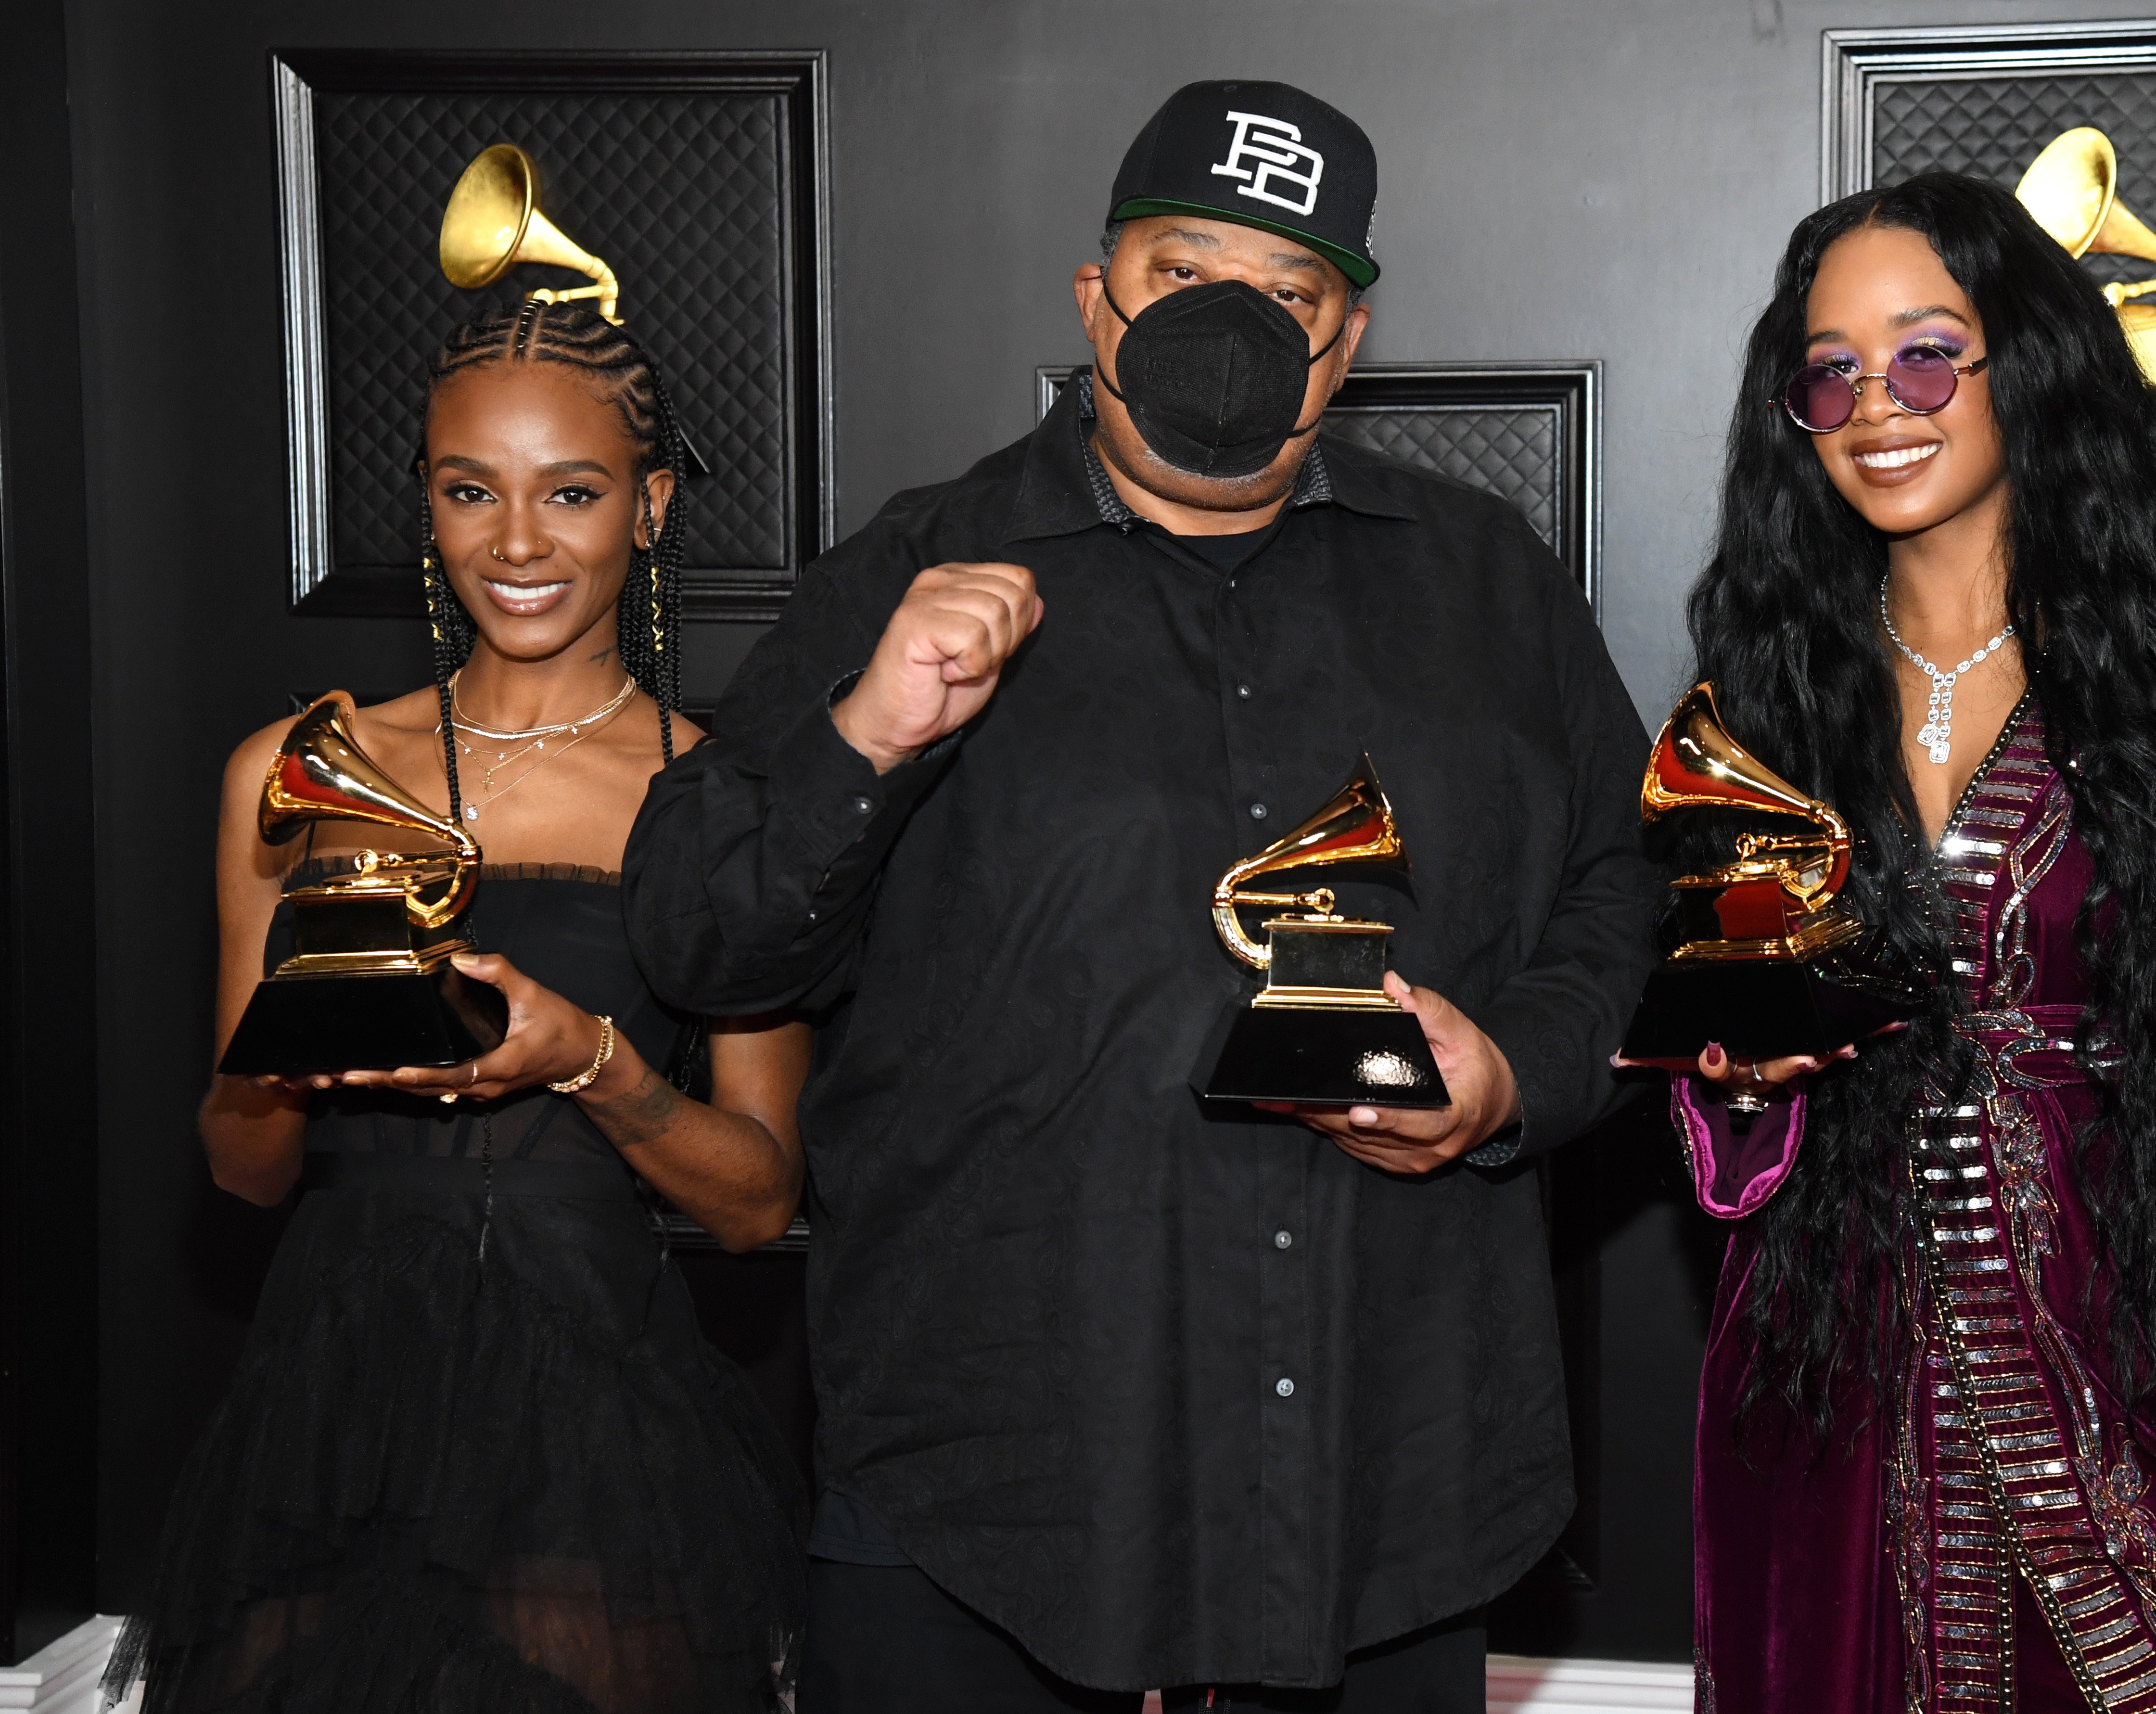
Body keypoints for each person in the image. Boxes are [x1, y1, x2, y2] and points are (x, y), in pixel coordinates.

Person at [622, 79, 1656, 1714]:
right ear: (1095, 296)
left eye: (1289, 292)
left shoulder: (1486, 582)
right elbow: (701, 937)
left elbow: (1628, 879)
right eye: (1183, 274)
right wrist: (868, 730)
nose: (1232, 324)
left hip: (1380, 1484)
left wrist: (1522, 1064)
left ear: (1350, 333)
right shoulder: (911, 565)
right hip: (989, 1498)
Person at [1658, 172, 2156, 1712]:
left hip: (2146, 1359)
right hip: (1824, 1383)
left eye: (1929, 354)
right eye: (1832, 372)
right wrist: (1741, 1075)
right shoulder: (1764, 679)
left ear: (2029, 357)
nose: (1881, 404)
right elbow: (1729, 1103)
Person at [107, 302, 811, 1714]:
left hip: (598, 1434)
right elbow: (242, 1173)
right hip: (325, 1421)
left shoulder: (726, 801)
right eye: (469, 490)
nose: (518, 541)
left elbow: (755, 1200)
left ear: (652, 505)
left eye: (573, 491)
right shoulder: (297, 769)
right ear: (426, 504)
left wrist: (590, 1064)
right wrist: (297, 1051)